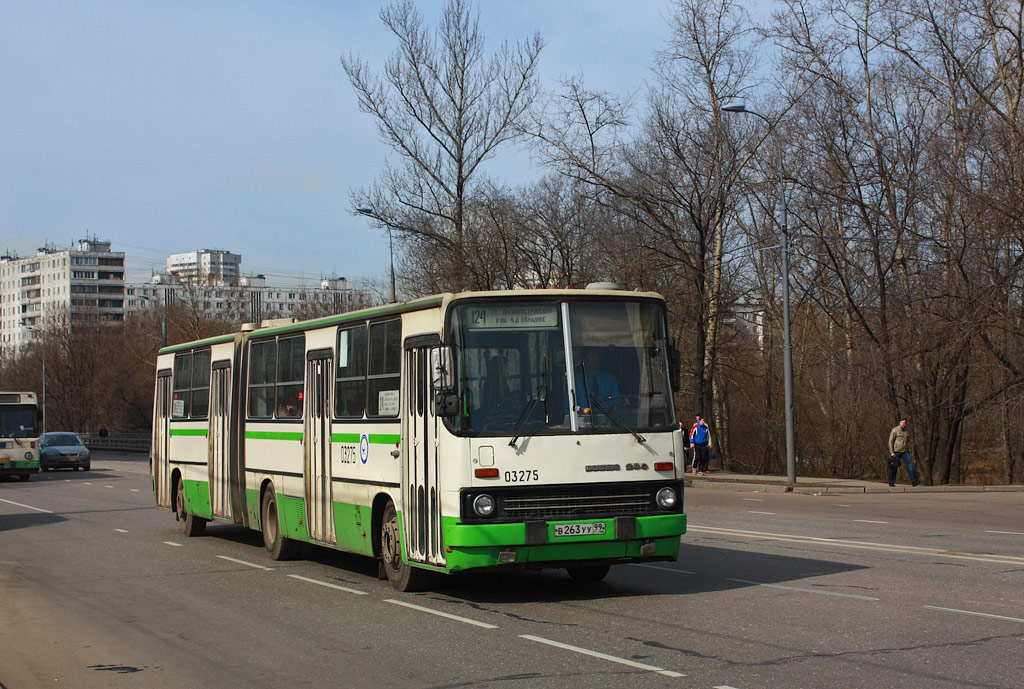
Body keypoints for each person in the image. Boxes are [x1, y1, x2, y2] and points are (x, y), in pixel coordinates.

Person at [888, 417, 920, 487]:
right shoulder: (895, 430)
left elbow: (908, 440)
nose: (903, 424)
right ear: (900, 423)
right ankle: (891, 482)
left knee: (910, 465)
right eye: (902, 422)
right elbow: (890, 441)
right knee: (894, 467)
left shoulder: (907, 431)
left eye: (904, 423)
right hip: (896, 451)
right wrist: (892, 452)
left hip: (905, 451)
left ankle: (914, 481)